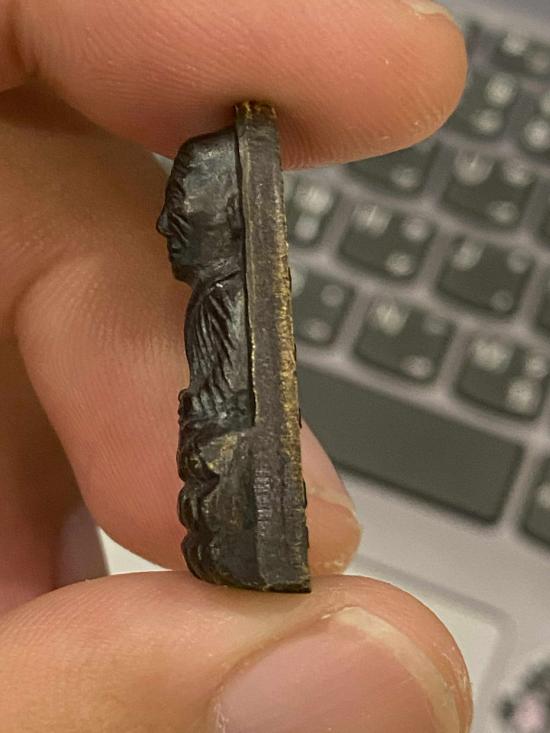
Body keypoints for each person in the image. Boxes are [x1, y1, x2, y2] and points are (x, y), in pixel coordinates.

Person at [0, 1, 471, 730]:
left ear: (225, 217)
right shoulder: (214, 308)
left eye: (185, 205)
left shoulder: (224, 308)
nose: (166, 221)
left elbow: (224, 413)